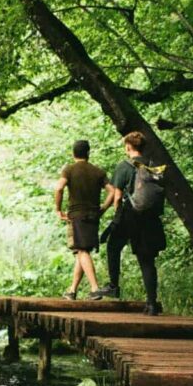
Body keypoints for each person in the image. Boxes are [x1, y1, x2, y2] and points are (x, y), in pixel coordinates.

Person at [98, 131, 166, 315]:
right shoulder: (153, 166)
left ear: (128, 147)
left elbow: (118, 196)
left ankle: (113, 285)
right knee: (146, 260)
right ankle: (151, 303)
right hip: (150, 218)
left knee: (113, 245)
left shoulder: (125, 166)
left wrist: (116, 217)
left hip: (130, 215)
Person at [54, 139, 115, 300]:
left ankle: (95, 289)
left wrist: (58, 209)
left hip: (77, 215)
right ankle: (72, 290)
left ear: (73, 153)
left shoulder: (69, 170)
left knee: (82, 250)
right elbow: (113, 192)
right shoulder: (98, 172)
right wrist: (103, 208)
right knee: (82, 251)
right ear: (88, 153)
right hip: (93, 216)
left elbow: (59, 188)